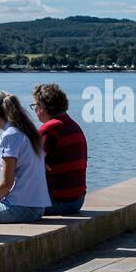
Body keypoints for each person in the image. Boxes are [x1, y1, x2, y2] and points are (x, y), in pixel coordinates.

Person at [0, 90, 51, 224]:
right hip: (38, 207)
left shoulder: (10, 136)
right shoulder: (28, 131)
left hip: (21, 207)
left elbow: (6, 184)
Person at [32, 83, 88, 215]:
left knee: (12, 205)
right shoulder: (74, 125)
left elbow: (29, 166)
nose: (34, 111)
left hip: (57, 202)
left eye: (35, 106)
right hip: (77, 201)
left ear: (42, 107)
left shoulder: (48, 129)